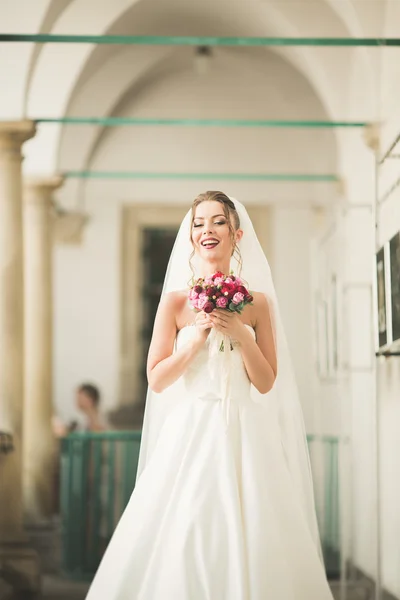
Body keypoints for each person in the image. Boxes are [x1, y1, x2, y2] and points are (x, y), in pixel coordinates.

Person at [86, 192, 334, 599]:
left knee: (258, 531)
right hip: (190, 432)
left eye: (217, 222)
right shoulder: (175, 303)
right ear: (191, 236)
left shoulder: (258, 304)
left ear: (236, 234)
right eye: (199, 223)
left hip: (246, 434)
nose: (207, 230)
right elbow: (157, 379)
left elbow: (267, 381)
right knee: (184, 533)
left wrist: (242, 337)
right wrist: (193, 342)